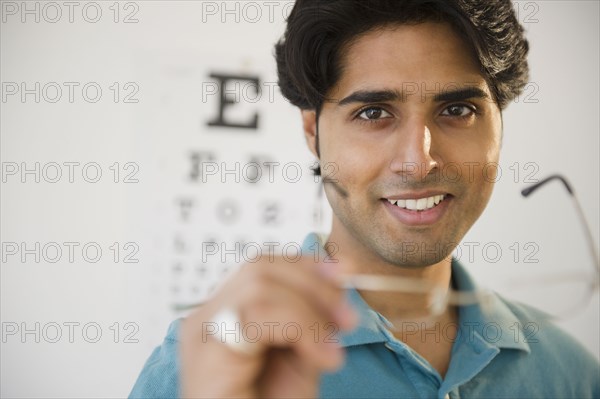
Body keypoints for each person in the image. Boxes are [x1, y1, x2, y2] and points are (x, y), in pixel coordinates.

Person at [130, 1, 600, 398]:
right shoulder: (200, 372)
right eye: (374, 112)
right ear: (313, 131)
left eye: (458, 109)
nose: (418, 162)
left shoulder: (569, 373)